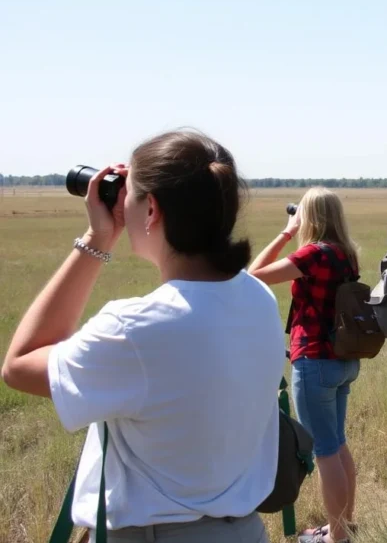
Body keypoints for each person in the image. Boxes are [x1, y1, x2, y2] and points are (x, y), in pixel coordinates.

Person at [1, 131, 281, 543]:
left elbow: (19, 365)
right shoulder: (256, 297)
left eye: (128, 194)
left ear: (151, 209)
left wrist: (97, 239)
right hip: (242, 531)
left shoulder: (134, 328)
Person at [249, 187, 361, 543]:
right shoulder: (347, 254)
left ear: (308, 217)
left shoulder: (313, 254)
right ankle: (345, 524)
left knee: (325, 451)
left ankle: (336, 538)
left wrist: (285, 232)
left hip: (314, 360)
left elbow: (254, 275)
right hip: (343, 359)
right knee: (338, 443)